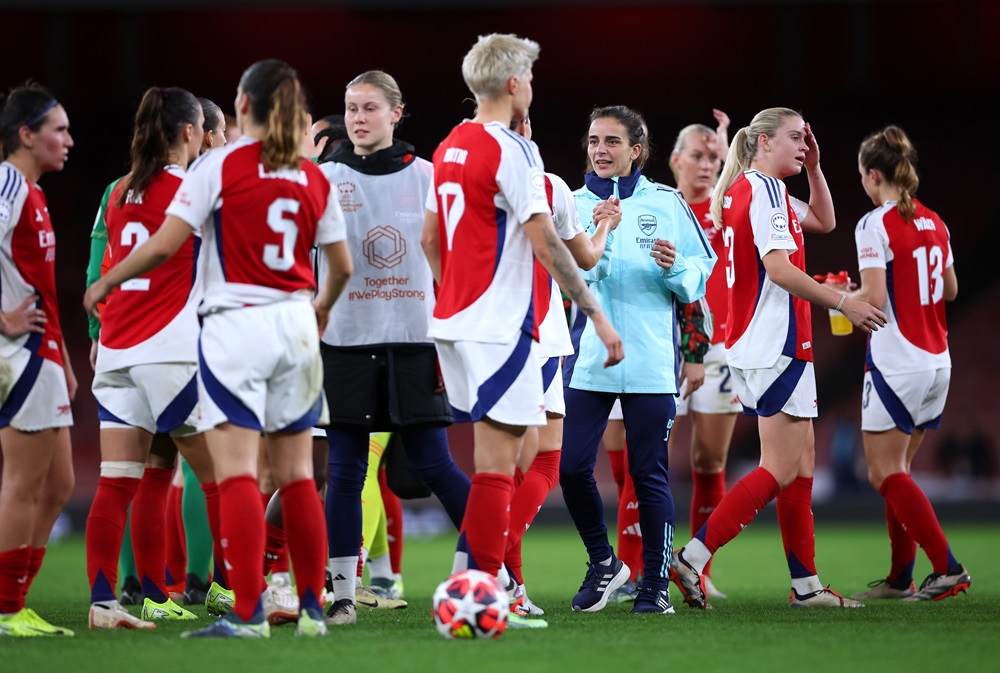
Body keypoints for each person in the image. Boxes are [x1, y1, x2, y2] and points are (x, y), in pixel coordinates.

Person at [85, 58, 353, 638]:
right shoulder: (313, 175)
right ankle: (312, 612)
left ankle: (249, 612)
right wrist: (322, 306)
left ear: (244, 107)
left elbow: (163, 244)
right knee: (298, 476)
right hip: (297, 326)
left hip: (235, 328)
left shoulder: (220, 166)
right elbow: (343, 266)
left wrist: (105, 282)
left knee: (234, 476)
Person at [421, 32, 622, 618]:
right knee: (496, 467)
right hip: (502, 324)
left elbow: (431, 240)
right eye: (529, 78)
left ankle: (468, 585)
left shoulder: (450, 145)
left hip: (455, 321)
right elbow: (551, 247)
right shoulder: (516, 152)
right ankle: (481, 600)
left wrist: (457, 294)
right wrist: (596, 315)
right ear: (513, 84)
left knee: (506, 459)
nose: (531, 87)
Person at [670, 107, 886, 609]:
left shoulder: (761, 190)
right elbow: (780, 271)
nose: (802, 144)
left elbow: (825, 221)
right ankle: (694, 556)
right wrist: (844, 302)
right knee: (781, 464)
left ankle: (806, 585)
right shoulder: (764, 194)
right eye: (795, 138)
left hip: (765, 341)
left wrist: (814, 168)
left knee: (802, 459)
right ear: (764, 142)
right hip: (774, 341)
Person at [317, 70, 471, 625]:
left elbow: (453, 258)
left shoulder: (429, 177)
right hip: (345, 340)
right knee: (345, 469)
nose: (357, 118)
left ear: (396, 113)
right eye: (350, 108)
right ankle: (341, 593)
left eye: (369, 108)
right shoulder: (322, 177)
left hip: (414, 340)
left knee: (434, 463)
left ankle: (495, 572)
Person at [559, 105, 716, 615]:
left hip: (650, 362)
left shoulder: (668, 203)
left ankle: (654, 586)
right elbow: (567, 277)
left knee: (649, 475)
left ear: (636, 150)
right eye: (593, 140)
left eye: (611, 141)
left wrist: (676, 270)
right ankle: (604, 561)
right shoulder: (571, 203)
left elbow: (702, 267)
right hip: (589, 360)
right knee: (571, 468)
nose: (599, 150)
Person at [84, 86, 212, 630]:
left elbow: (103, 261)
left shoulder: (117, 192)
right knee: (227, 478)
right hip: (171, 351)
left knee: (118, 480)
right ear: (190, 132)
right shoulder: (195, 188)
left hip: (114, 349)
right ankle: (253, 593)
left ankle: (105, 603)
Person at [503, 116, 621, 617]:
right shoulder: (548, 187)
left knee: (512, 468)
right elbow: (585, 260)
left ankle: (512, 586)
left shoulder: (455, 176)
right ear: (527, 125)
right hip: (538, 336)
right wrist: (606, 224)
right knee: (541, 463)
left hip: (485, 336)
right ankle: (486, 565)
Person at [848, 125, 970, 602]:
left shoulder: (873, 224)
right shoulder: (935, 221)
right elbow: (952, 290)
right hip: (937, 359)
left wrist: (843, 297)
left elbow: (874, 299)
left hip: (897, 362)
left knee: (883, 473)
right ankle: (901, 578)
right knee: (898, 470)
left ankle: (948, 568)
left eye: (861, 175)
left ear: (873, 175)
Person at [0, 82, 77, 637]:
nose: (69, 140)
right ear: (25, 135)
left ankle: (17, 599)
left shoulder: (34, 193)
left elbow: (43, 288)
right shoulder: (6, 183)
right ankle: (6, 609)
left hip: (44, 351)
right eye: (58, 129)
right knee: (24, 483)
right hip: (18, 352)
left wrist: (67, 360)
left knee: (58, 485)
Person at [665, 113, 740, 600]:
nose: (708, 164)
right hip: (663, 349)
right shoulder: (661, 208)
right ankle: (636, 569)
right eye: (698, 154)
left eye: (716, 157)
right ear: (675, 160)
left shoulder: (726, 211)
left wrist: (732, 148)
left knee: (710, 462)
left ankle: (697, 571)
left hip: (719, 351)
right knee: (643, 463)